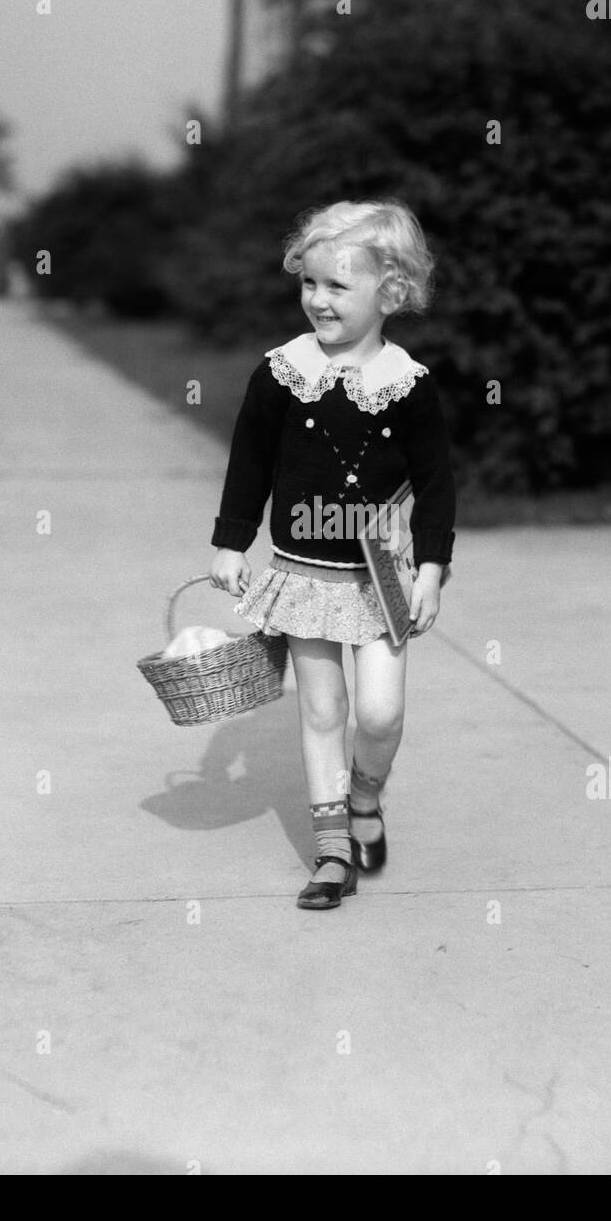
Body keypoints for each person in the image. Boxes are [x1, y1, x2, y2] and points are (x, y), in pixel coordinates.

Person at [209, 199, 456, 910]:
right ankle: (331, 851)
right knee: (322, 712)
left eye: (336, 287)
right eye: (308, 283)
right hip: (302, 574)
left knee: (377, 715)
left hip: (379, 576)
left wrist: (432, 570)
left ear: (391, 293)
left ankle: (366, 794)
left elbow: (437, 485)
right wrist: (231, 540)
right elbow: (249, 461)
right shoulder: (281, 373)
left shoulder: (408, 386)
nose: (317, 299)